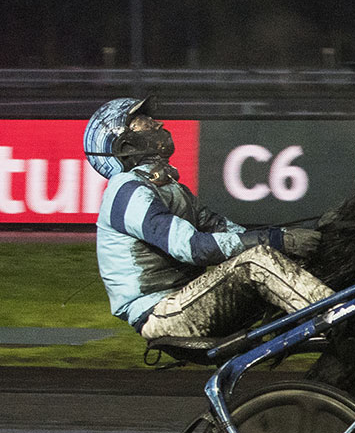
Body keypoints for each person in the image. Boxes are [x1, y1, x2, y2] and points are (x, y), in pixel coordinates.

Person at [84, 97, 335, 341]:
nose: (157, 124)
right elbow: (194, 248)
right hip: (160, 312)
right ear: (125, 146)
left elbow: (231, 232)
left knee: (275, 256)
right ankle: (340, 322)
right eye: (142, 120)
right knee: (255, 262)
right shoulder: (126, 191)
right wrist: (277, 240)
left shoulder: (172, 189)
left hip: (187, 300)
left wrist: (310, 229)